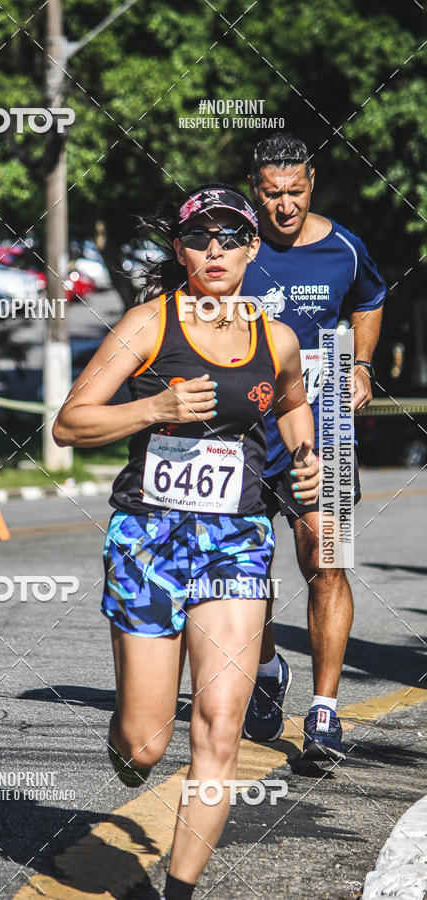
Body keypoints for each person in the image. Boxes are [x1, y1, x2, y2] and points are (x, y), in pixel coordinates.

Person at [53, 183, 320, 899]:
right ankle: (128, 747)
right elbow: (70, 423)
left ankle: (179, 894)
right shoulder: (148, 325)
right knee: (145, 742)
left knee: (218, 730)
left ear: (252, 247)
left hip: (236, 539)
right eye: (201, 238)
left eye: (232, 237)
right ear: (181, 249)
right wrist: (156, 406)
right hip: (148, 537)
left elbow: (292, 405)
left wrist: (305, 459)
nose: (216, 250)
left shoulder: (276, 337)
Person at [241, 133, 385, 761]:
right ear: (256, 191)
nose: (284, 206)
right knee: (245, 572)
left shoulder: (343, 249)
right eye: (272, 194)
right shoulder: (234, 246)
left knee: (324, 557)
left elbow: (372, 299)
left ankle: (324, 711)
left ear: (312, 182)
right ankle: (268, 671)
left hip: (323, 432)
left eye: (295, 191)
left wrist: (363, 365)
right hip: (240, 435)